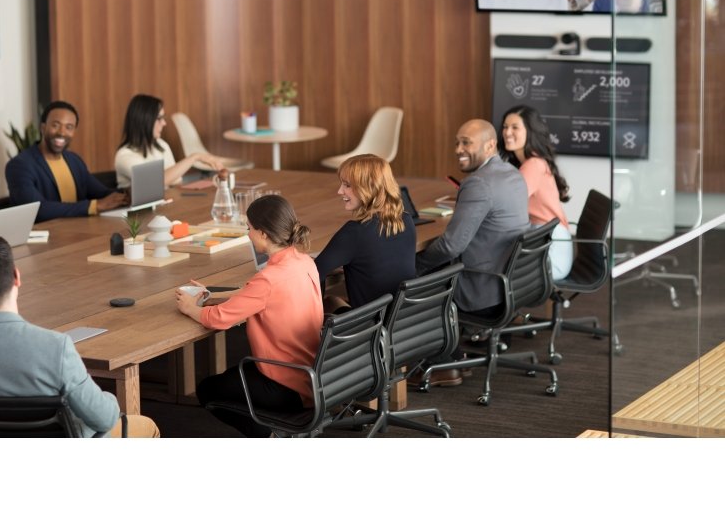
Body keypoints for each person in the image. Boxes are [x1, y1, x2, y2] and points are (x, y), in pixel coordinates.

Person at [0, 235, 160, 437]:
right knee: (146, 426)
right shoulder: (56, 347)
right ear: (16, 277)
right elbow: (104, 419)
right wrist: (109, 399)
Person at [175, 194, 323, 437]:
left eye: (249, 228)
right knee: (229, 380)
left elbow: (218, 318)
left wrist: (191, 308)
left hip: (285, 385)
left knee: (208, 390)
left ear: (263, 233)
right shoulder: (304, 262)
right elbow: (255, 294)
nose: (248, 234)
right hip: (310, 376)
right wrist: (212, 295)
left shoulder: (268, 280)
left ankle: (269, 436)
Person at [415, 120, 528, 384]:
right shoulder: (512, 173)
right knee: (430, 265)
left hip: (482, 288)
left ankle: (443, 364)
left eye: (466, 143)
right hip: (511, 282)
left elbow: (451, 246)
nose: (458, 149)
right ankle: (453, 355)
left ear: (490, 146)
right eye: (457, 142)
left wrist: (415, 265)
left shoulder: (478, 184)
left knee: (410, 280)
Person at [314, 154, 416, 311]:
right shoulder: (406, 221)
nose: (340, 191)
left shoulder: (355, 233)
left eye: (347, 185)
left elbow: (313, 272)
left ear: (368, 188)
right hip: (403, 318)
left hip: (370, 324)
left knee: (329, 302)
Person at [5, 100, 128, 221]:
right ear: (43, 128)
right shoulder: (19, 165)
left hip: (78, 229)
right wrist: (94, 206)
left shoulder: (74, 160)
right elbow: (37, 210)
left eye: (69, 127)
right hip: (44, 232)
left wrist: (128, 194)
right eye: (55, 125)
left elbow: (101, 193)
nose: (62, 133)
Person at [499, 105, 573, 280]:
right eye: (505, 127)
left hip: (551, 252)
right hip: (543, 241)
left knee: (490, 268)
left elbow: (507, 205)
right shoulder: (529, 162)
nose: (507, 132)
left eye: (515, 127)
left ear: (530, 132)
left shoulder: (533, 165)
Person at [114, 94, 222, 188]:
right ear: (144, 120)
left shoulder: (161, 145)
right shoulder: (124, 156)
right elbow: (157, 181)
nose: (164, 123)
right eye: (159, 118)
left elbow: (176, 181)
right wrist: (195, 157)